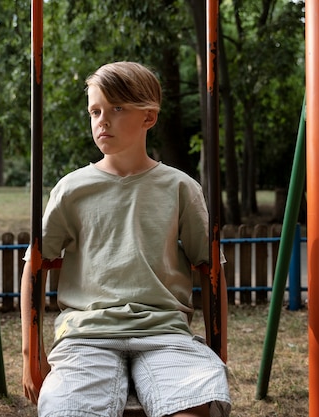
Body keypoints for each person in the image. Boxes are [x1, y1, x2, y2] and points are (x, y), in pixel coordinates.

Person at [21, 61, 231, 417]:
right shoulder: (71, 189)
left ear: (149, 117)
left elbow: (210, 269)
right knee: (66, 410)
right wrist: (31, 355)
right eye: (95, 110)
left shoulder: (180, 187)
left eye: (117, 108)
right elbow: (35, 266)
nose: (102, 120)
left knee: (194, 408)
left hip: (164, 332)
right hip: (87, 334)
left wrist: (217, 351)